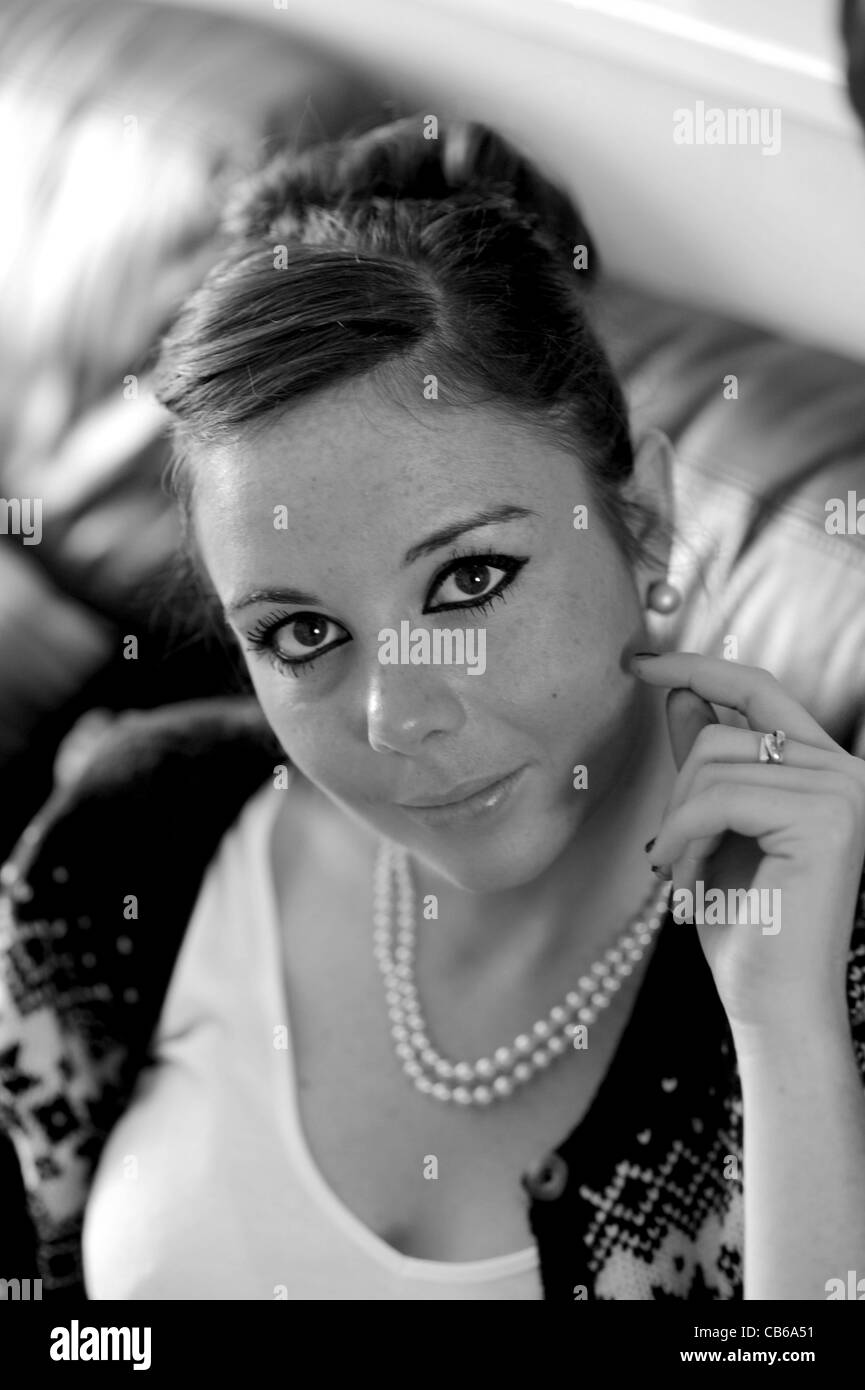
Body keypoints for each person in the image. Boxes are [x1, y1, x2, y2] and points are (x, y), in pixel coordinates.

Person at [2, 115, 864, 1302]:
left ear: (649, 525)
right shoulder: (121, 845)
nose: (398, 716)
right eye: (301, 633)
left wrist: (787, 1046)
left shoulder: (830, 948)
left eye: (469, 580)